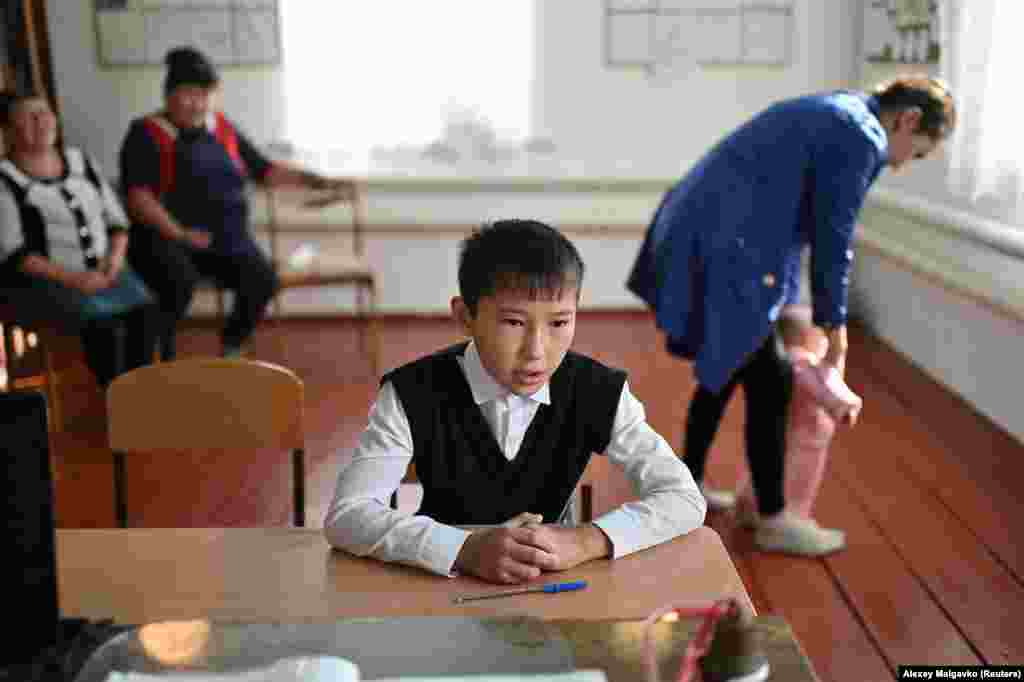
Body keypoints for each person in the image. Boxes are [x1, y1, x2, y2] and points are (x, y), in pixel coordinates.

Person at [627, 76, 955, 556]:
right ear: (907, 120)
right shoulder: (861, 135)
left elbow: (790, 212)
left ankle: (686, 485)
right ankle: (774, 517)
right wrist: (835, 332)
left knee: (730, 363)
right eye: (918, 151)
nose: (904, 163)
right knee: (771, 377)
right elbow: (833, 238)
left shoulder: (839, 110)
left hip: (701, 225)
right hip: (727, 242)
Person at [324, 219, 706, 584]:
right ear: (465, 316)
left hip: (552, 586)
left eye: (559, 323)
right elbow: (348, 515)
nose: (536, 352)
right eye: (513, 323)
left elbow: (684, 497)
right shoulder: (412, 391)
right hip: (440, 586)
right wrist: (465, 549)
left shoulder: (598, 389)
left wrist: (586, 540)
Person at [120, 46, 356, 360]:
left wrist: (317, 180)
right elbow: (139, 199)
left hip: (225, 241)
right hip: (167, 240)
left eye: (204, 95)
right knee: (178, 283)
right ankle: (157, 361)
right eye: (188, 94)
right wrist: (180, 233)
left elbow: (265, 170)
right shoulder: (146, 133)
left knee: (263, 279)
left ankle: (232, 345)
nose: (197, 103)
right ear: (169, 95)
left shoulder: (223, 129)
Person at [0, 89, 158, 388]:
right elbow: (14, 253)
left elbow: (117, 223)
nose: (42, 122)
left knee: (146, 313)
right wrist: (75, 279)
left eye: (45, 113)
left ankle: (138, 394)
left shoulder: (80, 161)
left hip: (106, 270)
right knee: (105, 327)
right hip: (48, 281)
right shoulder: (5, 178)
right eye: (29, 117)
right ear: (8, 129)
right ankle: (114, 397)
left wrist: (112, 264)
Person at [727, 305, 862, 549]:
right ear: (806, 339)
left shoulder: (780, 364)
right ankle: (789, 521)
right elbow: (822, 389)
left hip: (786, 433)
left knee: (764, 468)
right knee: (796, 485)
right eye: (820, 338)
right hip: (805, 443)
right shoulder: (803, 363)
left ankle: (749, 506)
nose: (823, 344)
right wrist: (843, 406)